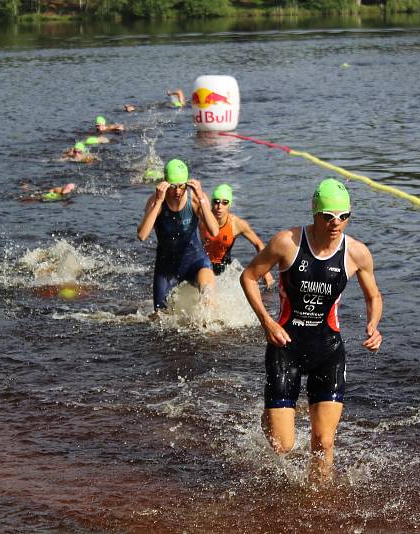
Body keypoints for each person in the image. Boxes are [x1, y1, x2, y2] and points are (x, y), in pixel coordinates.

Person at [240, 178, 383, 481]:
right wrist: (267, 321)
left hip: (328, 351)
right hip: (285, 347)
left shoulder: (356, 253)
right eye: (329, 216)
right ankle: (271, 417)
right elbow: (249, 276)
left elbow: (374, 296)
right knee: (282, 445)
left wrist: (374, 324)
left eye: (343, 216)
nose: (336, 223)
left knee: (324, 441)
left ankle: (319, 504)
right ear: (315, 214)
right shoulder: (287, 243)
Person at [137, 159, 220, 312]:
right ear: (165, 183)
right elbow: (142, 235)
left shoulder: (195, 200)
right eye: (173, 187)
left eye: (182, 186)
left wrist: (202, 198)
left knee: (208, 297)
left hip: (196, 262)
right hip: (166, 268)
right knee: (159, 318)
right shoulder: (155, 202)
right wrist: (158, 201)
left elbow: (214, 231)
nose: (178, 192)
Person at [199, 183, 274, 288]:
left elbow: (258, 244)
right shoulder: (202, 218)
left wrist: (265, 271)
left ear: (229, 205)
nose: (219, 206)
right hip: (203, 266)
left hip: (224, 270)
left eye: (224, 203)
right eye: (216, 202)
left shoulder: (236, 224)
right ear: (211, 203)